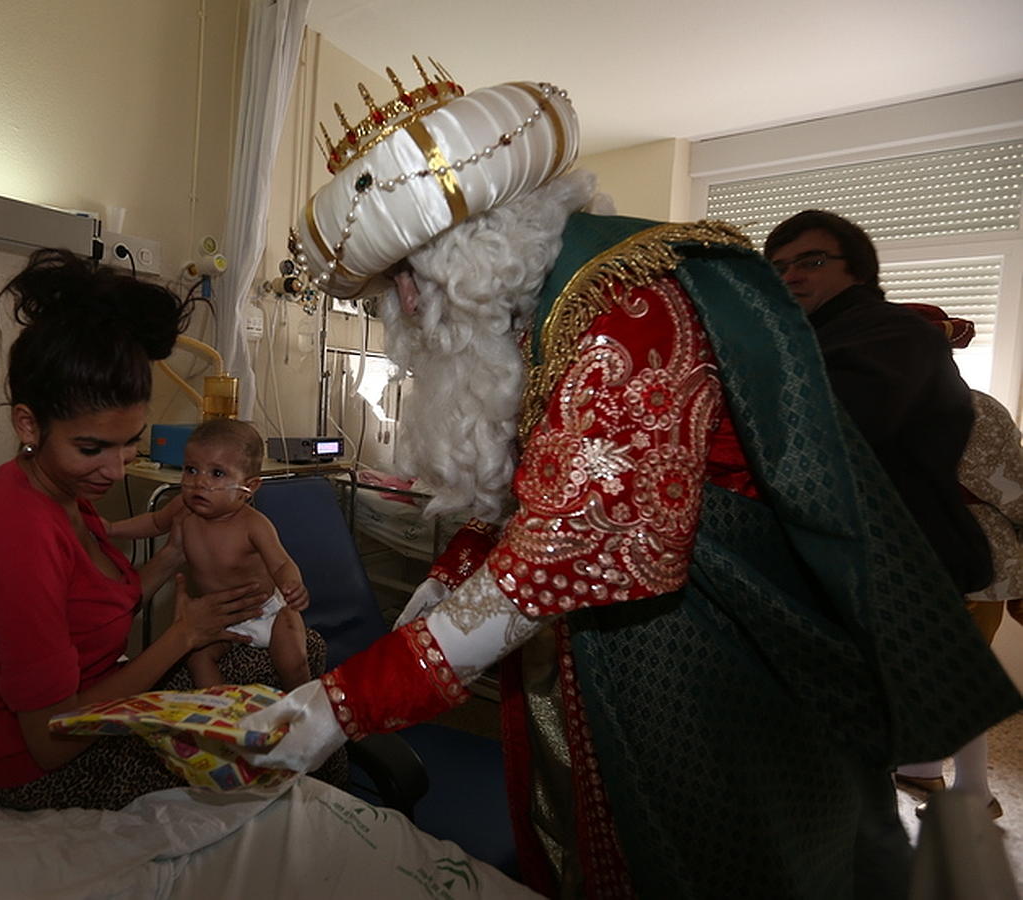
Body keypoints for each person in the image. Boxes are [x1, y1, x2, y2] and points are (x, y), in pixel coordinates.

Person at [234, 67, 1022, 899]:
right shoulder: (555, 307)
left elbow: (568, 548)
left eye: (403, 281)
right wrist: (439, 585)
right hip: (633, 648)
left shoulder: (627, 303)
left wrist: (342, 703)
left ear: (465, 254)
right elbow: (539, 486)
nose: (402, 312)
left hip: (718, 662)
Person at [0, 248, 336, 812]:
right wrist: (186, 633)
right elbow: (52, 738)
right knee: (278, 730)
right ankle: (327, 801)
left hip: (103, 697)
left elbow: (96, 605)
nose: (117, 467)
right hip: (46, 768)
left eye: (131, 441)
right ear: (29, 423)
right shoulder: (16, 536)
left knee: (300, 650)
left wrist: (174, 558)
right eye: (92, 448)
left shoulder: (65, 496)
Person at [762, 210, 993, 595]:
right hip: (849, 559)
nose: (790, 277)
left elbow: (824, 434)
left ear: (859, 269)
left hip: (894, 562)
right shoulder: (812, 336)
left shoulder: (892, 334)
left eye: (812, 262)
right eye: (778, 268)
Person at [892, 304, 1023, 820]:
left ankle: (958, 784)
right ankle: (950, 781)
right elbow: (1014, 492)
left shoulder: (875, 407)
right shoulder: (980, 408)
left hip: (929, 562)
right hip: (977, 564)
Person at [112, 418, 313, 690]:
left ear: (249, 486)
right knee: (198, 659)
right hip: (218, 619)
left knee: (294, 660)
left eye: (217, 474)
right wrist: (112, 528)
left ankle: (300, 712)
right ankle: (219, 711)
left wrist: (293, 585)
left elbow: (281, 564)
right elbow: (154, 522)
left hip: (267, 613)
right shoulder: (183, 508)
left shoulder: (253, 524)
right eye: (191, 469)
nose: (199, 482)